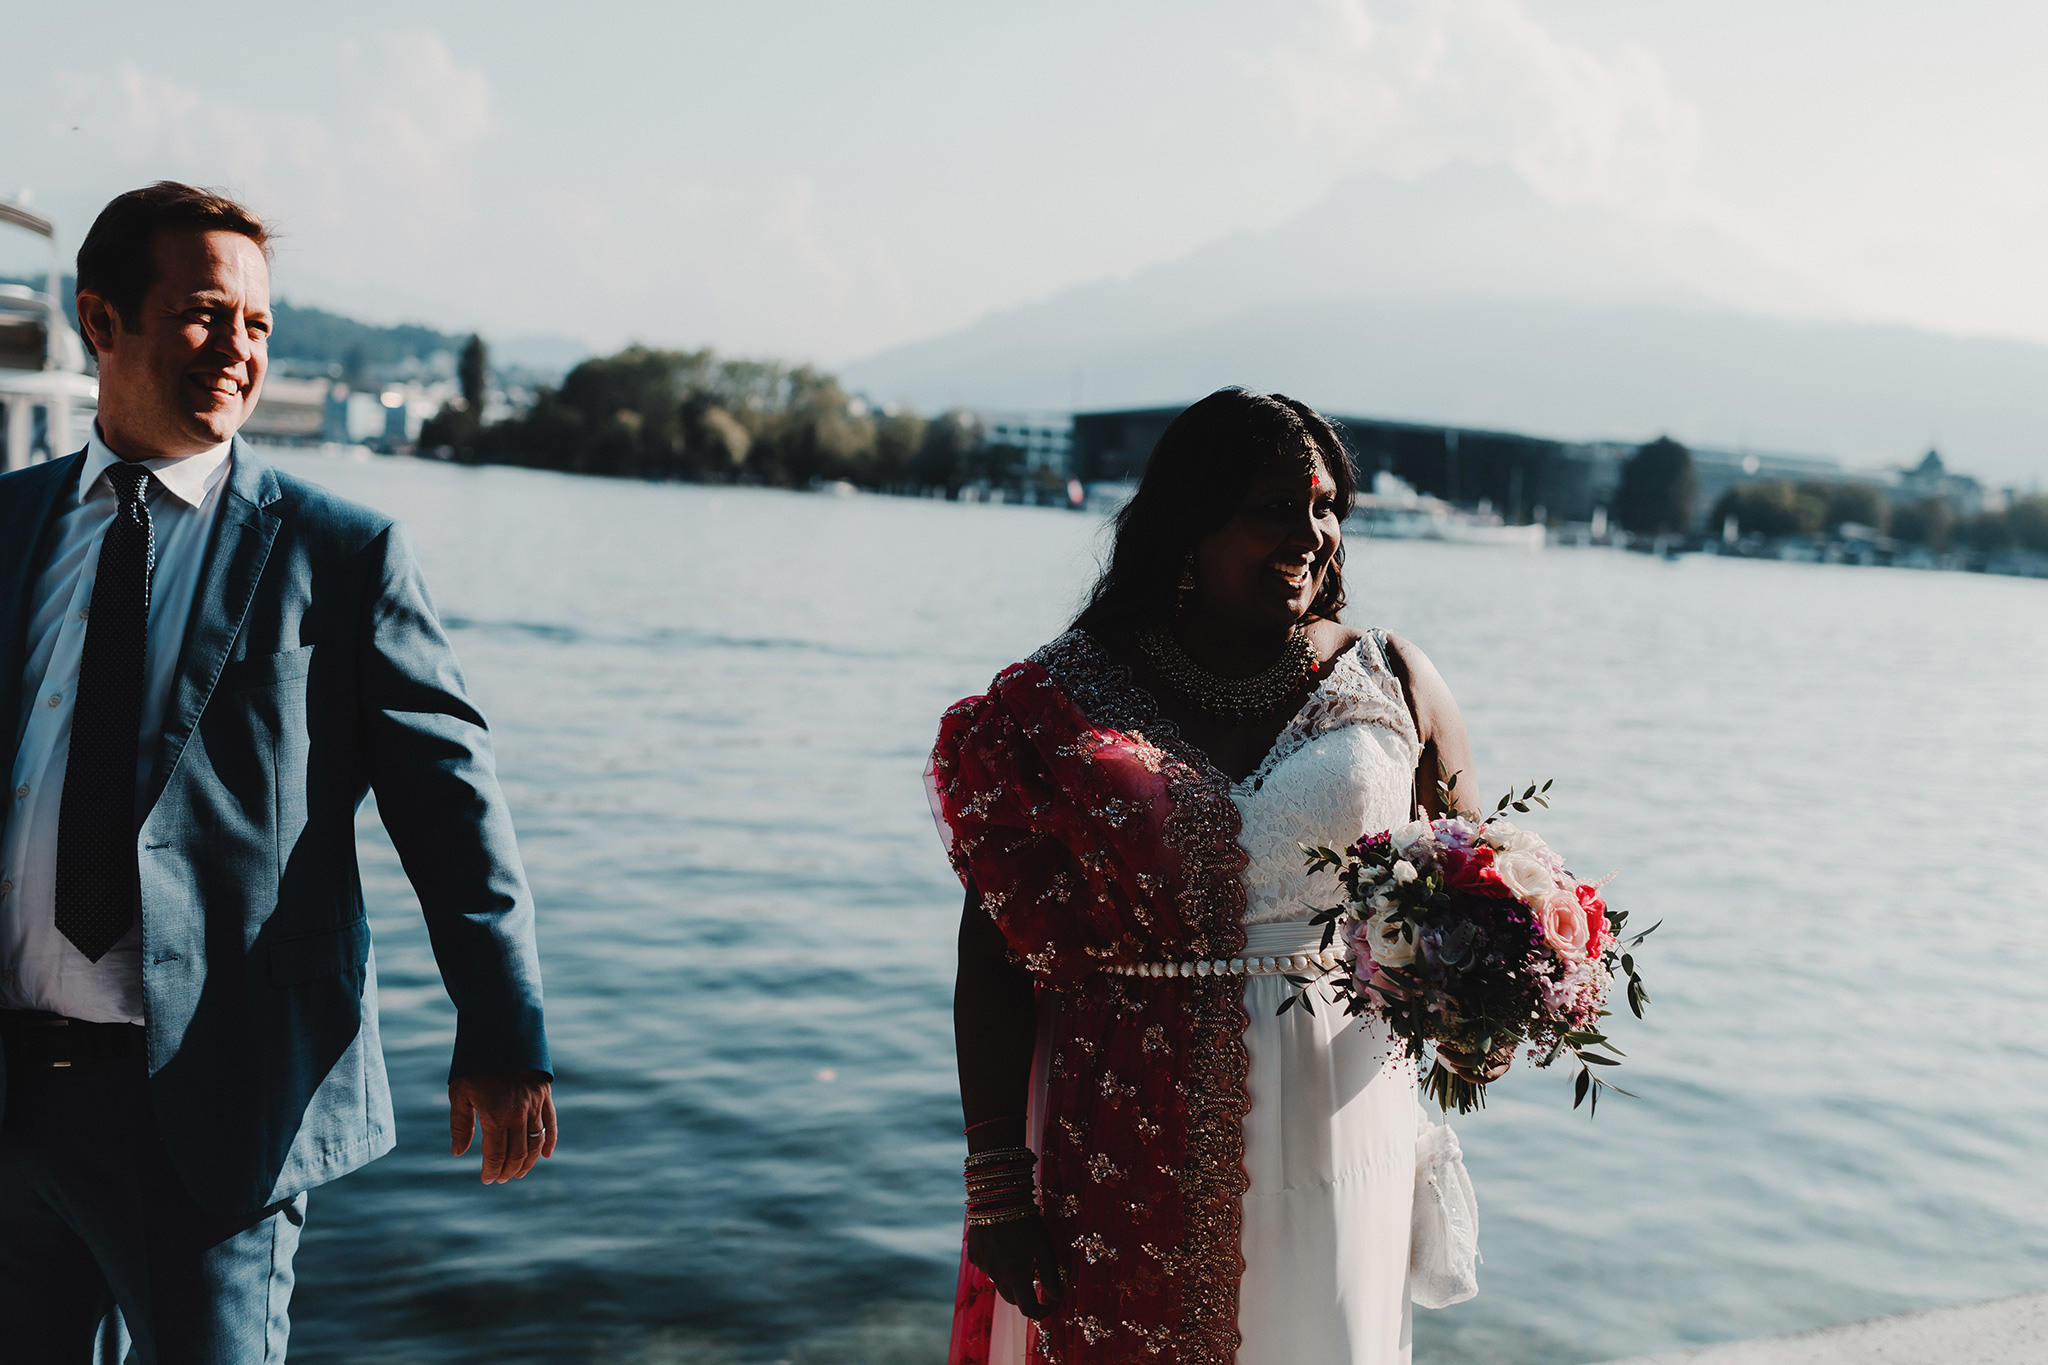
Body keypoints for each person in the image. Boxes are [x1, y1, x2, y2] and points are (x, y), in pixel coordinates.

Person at [0, 181, 554, 1362]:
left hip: (208, 1106)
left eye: (256, 326)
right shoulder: (10, 526)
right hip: (12, 1095)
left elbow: (451, 807)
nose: (237, 351)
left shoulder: (340, 555)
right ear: (103, 321)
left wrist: (502, 1034)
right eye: (206, 314)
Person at [930, 388, 1499, 1363]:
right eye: (1275, 507)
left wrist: (1480, 1012)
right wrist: (997, 1187)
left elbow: (1470, 889)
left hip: (1343, 1113)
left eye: (1325, 509)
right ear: (1188, 523)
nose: (1311, 533)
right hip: (1119, 1120)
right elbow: (993, 956)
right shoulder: (1056, 701)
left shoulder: (1393, 680)